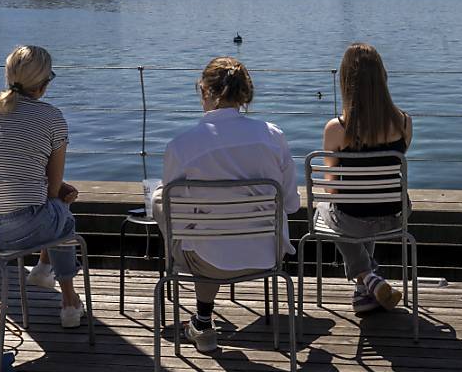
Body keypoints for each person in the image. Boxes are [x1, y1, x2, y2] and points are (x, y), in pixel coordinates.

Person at [159, 57, 299, 353]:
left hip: (206, 260)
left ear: (205, 91)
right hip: (267, 255)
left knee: (164, 202)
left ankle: (203, 322)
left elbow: (176, 216)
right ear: (245, 94)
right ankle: (202, 321)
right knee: (206, 233)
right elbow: (290, 204)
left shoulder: (182, 145)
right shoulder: (274, 136)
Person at [0, 45, 86, 328]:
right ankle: (69, 300)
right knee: (62, 212)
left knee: (55, 209)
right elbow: (51, 191)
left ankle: (43, 268)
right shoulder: (51, 117)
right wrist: (61, 190)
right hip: (21, 230)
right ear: (44, 83)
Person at [320, 42, 412, 315]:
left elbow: (331, 187)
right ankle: (365, 292)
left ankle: (367, 276)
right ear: (383, 77)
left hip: (353, 217)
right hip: (395, 215)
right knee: (359, 208)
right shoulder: (404, 123)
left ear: (346, 81)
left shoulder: (337, 129)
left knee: (327, 210)